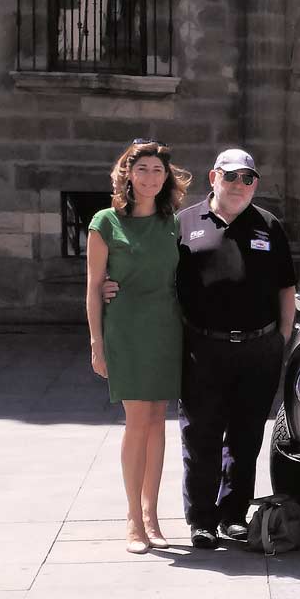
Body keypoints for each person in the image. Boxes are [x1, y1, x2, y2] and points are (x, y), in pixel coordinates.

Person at [175, 149, 297, 548]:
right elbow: (163, 283)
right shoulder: (185, 223)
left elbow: (286, 287)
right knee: (201, 435)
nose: (240, 186)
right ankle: (201, 520)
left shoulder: (269, 226)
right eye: (232, 177)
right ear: (214, 177)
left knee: (246, 438)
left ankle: (233, 515)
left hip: (258, 348)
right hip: (203, 348)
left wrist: (281, 336)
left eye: (248, 179)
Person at [86, 139, 191, 554]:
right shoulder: (104, 222)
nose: (151, 176)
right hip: (126, 329)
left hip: (166, 326)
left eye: (158, 170)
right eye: (143, 169)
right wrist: (96, 343)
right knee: (136, 419)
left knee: (158, 417)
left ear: (166, 178)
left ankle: (153, 514)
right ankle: (133, 519)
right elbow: (94, 289)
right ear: (128, 174)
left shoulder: (173, 223)